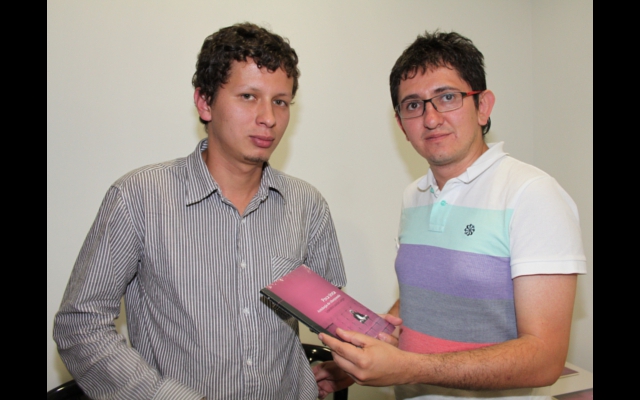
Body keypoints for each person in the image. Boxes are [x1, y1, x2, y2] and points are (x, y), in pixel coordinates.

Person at [53, 22, 346, 400]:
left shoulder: (307, 205)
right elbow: (80, 325)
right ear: (205, 102)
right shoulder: (138, 198)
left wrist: (361, 353)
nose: (269, 118)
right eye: (248, 96)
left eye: (280, 101)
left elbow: (334, 315)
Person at [315, 30, 586, 400]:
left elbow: (545, 359)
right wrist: (366, 353)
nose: (431, 118)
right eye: (413, 105)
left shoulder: (532, 194)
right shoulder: (414, 195)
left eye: (447, 97)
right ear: (401, 124)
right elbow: (420, 301)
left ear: (483, 106)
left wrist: (408, 366)